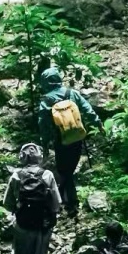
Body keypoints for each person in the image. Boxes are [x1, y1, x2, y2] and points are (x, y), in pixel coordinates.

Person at [2, 143, 62, 254]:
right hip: (43, 228)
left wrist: (19, 209)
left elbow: (7, 204)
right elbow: (56, 204)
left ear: (22, 158)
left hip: (23, 226)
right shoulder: (48, 175)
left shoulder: (16, 175)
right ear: (39, 158)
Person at [37, 66, 101, 217]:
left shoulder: (46, 100)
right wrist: (98, 123)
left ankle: (68, 202)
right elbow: (87, 109)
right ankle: (67, 199)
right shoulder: (72, 93)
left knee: (63, 170)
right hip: (78, 136)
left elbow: (43, 124)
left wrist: (45, 142)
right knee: (69, 169)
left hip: (61, 139)